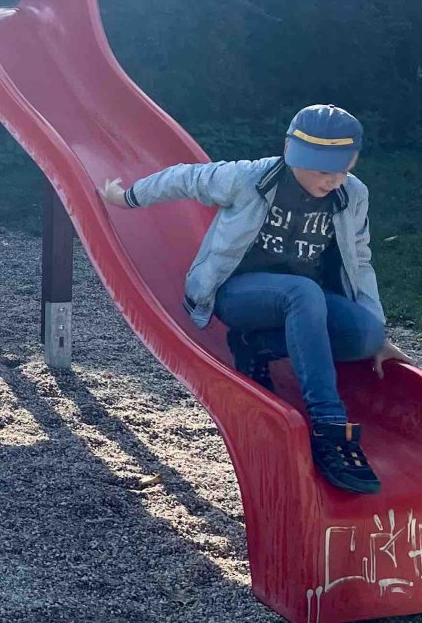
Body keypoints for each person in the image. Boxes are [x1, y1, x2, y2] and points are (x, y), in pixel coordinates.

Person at [99, 105, 390, 494]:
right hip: (239, 293)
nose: (334, 179)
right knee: (302, 292)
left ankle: (256, 346)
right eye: (323, 170)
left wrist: (377, 327)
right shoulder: (250, 178)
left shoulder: (352, 194)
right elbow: (185, 178)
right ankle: (329, 425)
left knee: (365, 337)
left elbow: (361, 258)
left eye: (343, 168)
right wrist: (127, 197)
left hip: (304, 301)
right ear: (292, 154)